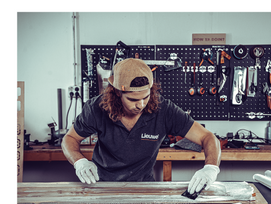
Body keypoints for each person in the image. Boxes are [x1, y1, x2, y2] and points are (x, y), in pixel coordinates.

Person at [62, 58, 221, 195]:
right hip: (102, 185)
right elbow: (69, 139)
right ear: (117, 93)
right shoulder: (96, 108)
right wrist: (79, 162)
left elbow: (207, 137)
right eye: (133, 99)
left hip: (144, 187)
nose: (141, 105)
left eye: (146, 97)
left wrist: (211, 168)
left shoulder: (164, 109)